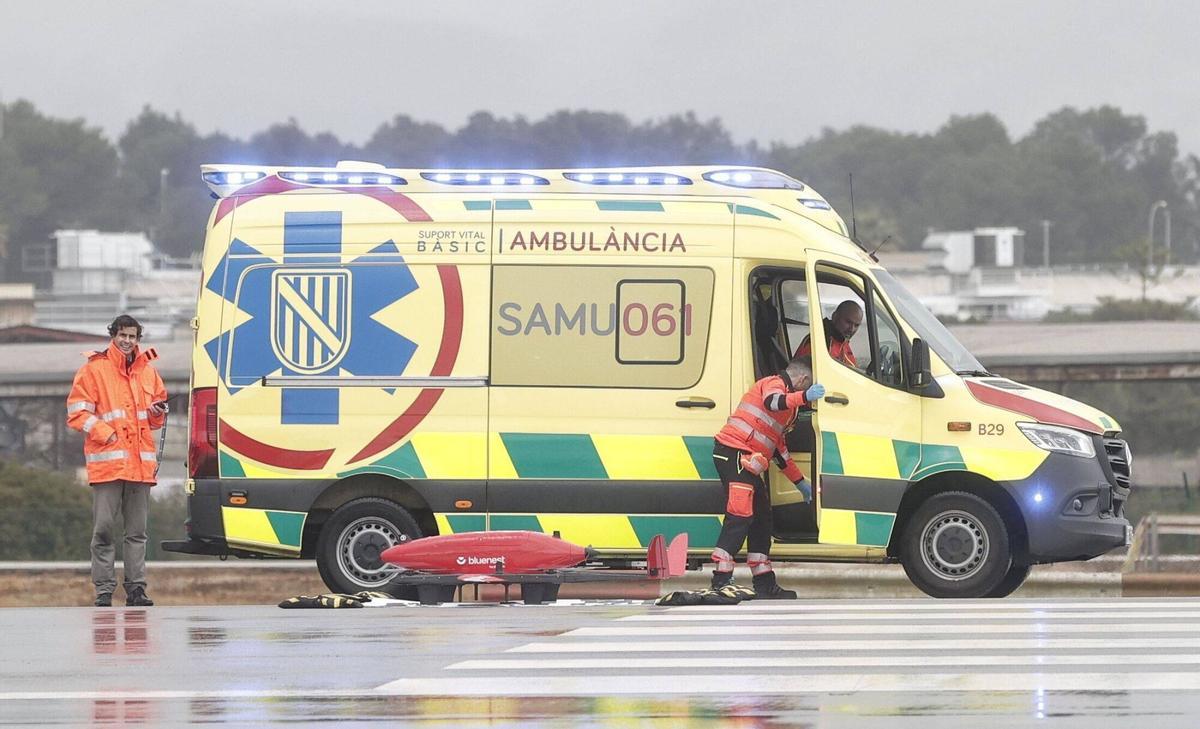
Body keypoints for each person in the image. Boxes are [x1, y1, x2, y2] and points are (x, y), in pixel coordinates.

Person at [66, 315, 168, 608]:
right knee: (103, 531)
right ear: (113, 335)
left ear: (138, 339)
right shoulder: (93, 370)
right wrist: (106, 433)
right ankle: (103, 590)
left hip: (139, 467)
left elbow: (154, 419)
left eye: (133, 336)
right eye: (122, 335)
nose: (127, 341)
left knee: (137, 533)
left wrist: (157, 411)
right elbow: (77, 413)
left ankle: (136, 589)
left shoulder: (149, 372)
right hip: (108, 466)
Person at [710, 357, 825, 599]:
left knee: (762, 518)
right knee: (740, 514)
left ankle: (764, 583)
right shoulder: (773, 384)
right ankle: (721, 580)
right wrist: (805, 397)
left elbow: (777, 449)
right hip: (734, 452)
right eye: (807, 387)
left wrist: (799, 482)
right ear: (803, 380)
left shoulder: (789, 409)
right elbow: (772, 402)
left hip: (748, 460)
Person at [794, 299, 862, 367]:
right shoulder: (820, 343)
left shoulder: (842, 340)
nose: (852, 329)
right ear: (834, 316)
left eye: (856, 325)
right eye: (848, 322)